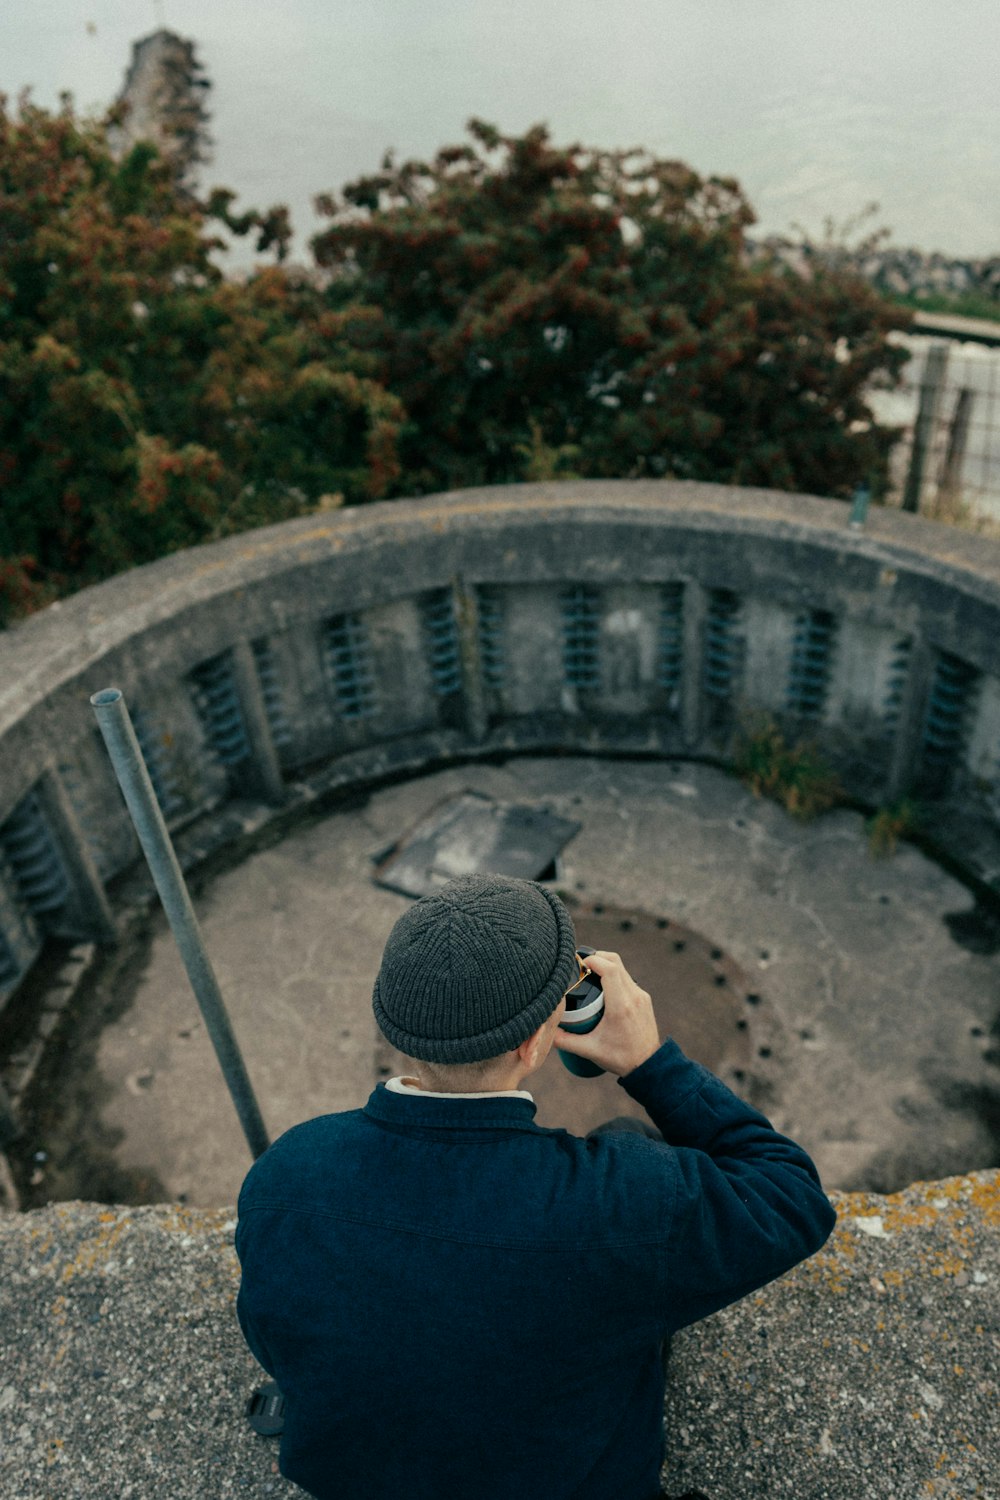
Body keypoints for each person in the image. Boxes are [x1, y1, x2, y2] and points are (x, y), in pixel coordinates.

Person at [235, 873, 835, 1500]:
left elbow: (272, 1332)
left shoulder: (286, 1172)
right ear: (533, 1043)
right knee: (635, 1138)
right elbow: (791, 1196)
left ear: (394, 1023)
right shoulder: (619, 1205)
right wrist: (652, 1063)